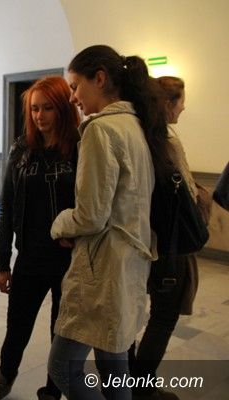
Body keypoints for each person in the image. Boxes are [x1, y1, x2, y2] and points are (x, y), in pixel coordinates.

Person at [47, 45, 174, 400]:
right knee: (115, 365)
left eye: (75, 86)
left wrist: (59, 224)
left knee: (62, 367)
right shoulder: (137, 125)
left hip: (102, 270)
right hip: (129, 262)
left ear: (99, 79)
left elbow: (90, 215)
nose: (72, 97)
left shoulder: (101, 129)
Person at [0, 76, 80, 400]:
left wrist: (77, 233)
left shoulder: (80, 147)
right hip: (30, 257)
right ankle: (4, 380)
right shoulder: (22, 149)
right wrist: (2, 262)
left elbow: (94, 204)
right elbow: (7, 207)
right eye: (35, 109)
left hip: (69, 260)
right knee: (17, 327)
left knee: (61, 332)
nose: (39, 116)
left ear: (63, 108)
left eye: (48, 108)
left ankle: (52, 392)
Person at [130, 76, 212, 400]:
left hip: (140, 241)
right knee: (163, 317)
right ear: (167, 103)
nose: (183, 108)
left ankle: (127, 380)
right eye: (180, 102)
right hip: (170, 244)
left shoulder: (136, 137)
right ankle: (141, 386)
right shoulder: (167, 143)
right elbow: (188, 193)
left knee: (132, 315)